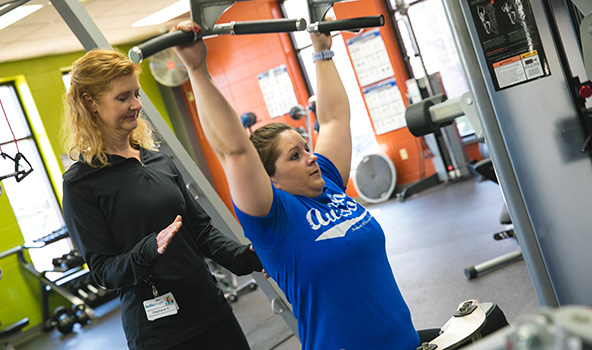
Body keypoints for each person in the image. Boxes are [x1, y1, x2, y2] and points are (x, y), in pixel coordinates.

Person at [173, 20, 421, 350]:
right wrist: (197, 68)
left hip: (406, 341)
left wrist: (321, 49)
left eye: (306, 147)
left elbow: (334, 119)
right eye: (295, 155)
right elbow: (234, 149)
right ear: (270, 178)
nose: (311, 157)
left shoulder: (329, 183)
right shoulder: (273, 220)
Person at [61, 49, 264, 350]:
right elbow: (104, 271)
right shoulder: (81, 183)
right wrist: (146, 251)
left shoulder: (159, 161)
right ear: (91, 103)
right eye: (123, 98)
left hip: (210, 308)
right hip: (161, 334)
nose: (136, 105)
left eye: (137, 94)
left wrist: (246, 257)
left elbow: (201, 230)